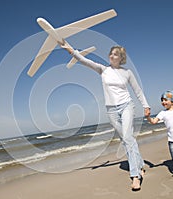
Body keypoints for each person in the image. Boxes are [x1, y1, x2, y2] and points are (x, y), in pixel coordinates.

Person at [60, 41, 150, 191]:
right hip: (111, 110)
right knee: (126, 139)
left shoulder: (127, 73)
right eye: (111, 53)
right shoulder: (103, 70)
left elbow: (137, 91)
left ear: (121, 58)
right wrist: (70, 50)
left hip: (127, 106)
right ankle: (140, 166)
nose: (111, 55)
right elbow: (84, 60)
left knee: (128, 138)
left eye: (115, 54)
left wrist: (146, 105)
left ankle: (135, 176)